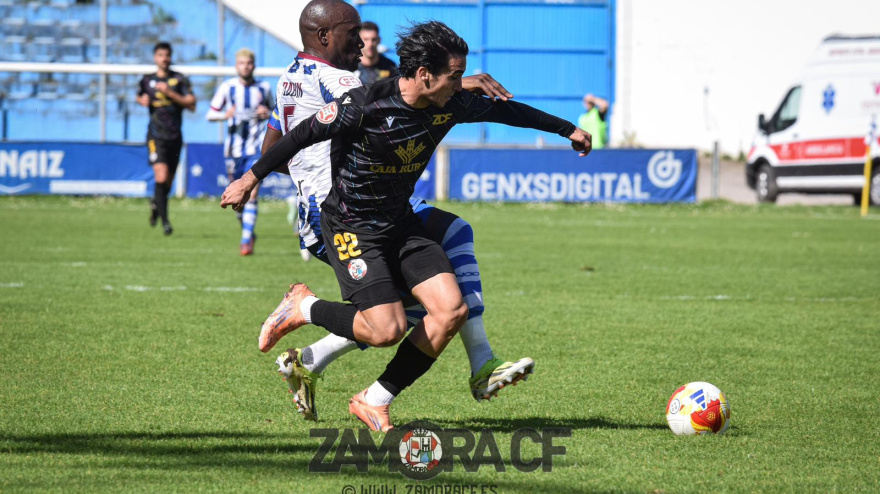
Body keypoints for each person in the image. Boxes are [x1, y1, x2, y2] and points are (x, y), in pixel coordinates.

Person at [222, 18, 591, 432]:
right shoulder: (364, 104)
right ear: (422, 74)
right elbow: (302, 134)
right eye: (455, 76)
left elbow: (509, 112)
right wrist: (249, 178)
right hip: (351, 228)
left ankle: (374, 399)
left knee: (450, 311)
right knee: (387, 329)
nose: (461, 84)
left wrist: (568, 129)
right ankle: (304, 306)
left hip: (400, 223)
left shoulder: (450, 103)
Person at [206, 48, 274, 256]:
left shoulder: (264, 88)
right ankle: (247, 230)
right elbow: (210, 114)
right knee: (238, 199)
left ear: (253, 65)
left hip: (255, 149)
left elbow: (278, 115)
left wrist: (268, 113)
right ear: (237, 66)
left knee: (251, 193)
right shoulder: (228, 88)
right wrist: (225, 115)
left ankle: (246, 240)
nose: (246, 66)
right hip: (233, 151)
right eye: (242, 63)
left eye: (249, 63)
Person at [137, 42, 196, 236]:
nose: (164, 58)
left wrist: (169, 93)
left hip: (175, 137)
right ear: (155, 57)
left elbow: (191, 103)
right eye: (161, 55)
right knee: (160, 177)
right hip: (156, 136)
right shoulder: (147, 80)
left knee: (167, 183)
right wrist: (142, 100)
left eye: (167, 55)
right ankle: (165, 222)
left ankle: (156, 205)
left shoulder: (179, 80)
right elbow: (140, 95)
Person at [354, 21, 399, 85]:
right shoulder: (350, 66)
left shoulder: (389, 66)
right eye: (366, 39)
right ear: (359, 41)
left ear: (379, 40)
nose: (370, 44)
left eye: (373, 39)